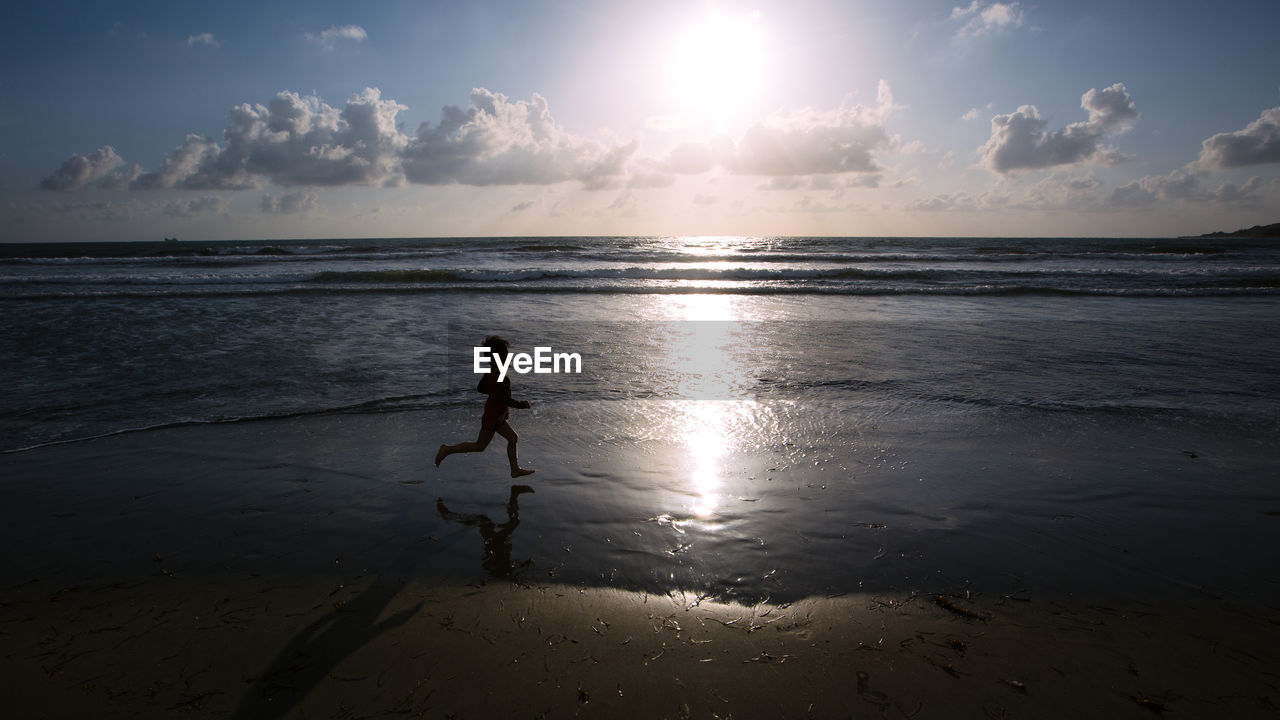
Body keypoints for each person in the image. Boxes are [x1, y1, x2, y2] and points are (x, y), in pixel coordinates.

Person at [435, 335, 535, 478]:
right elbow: (506, 399)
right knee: (479, 446)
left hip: (494, 414)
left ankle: (515, 469)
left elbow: (481, 388)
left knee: (512, 438)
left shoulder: (489, 374)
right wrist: (522, 405)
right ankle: (447, 449)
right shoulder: (503, 378)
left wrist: (494, 393)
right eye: (506, 354)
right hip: (494, 417)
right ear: (502, 358)